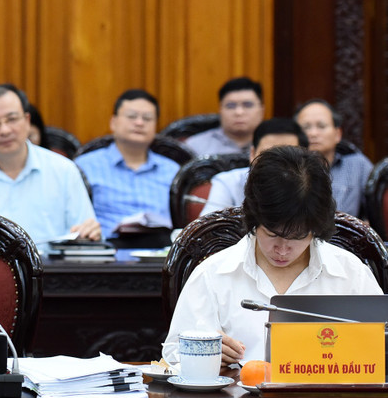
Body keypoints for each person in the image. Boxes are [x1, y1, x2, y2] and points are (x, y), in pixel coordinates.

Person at [162, 146, 382, 366]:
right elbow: (173, 355)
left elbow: (380, 352)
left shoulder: (350, 274)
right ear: (253, 217)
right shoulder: (213, 273)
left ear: (317, 227)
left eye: (297, 237)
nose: (283, 249)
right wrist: (204, 354)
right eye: (272, 235)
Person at [0, 83, 101, 245]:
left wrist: (88, 233)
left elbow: (85, 232)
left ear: (27, 120)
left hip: (53, 268)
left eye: (12, 119)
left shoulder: (64, 170)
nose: (4, 130)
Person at [75, 89, 179, 239]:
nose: (139, 122)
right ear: (113, 122)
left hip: (159, 254)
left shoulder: (172, 171)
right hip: (105, 253)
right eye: (132, 116)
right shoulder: (85, 166)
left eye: (147, 118)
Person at [200, 118, 309, 216]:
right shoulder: (228, 182)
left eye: (286, 155)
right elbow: (208, 229)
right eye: (267, 154)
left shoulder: (313, 184)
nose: (276, 163)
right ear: (252, 153)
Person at [294, 98, 372, 217]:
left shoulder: (358, 165)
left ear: (337, 134)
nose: (313, 133)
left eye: (321, 126)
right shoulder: (287, 167)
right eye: (306, 127)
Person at [184, 77, 265, 156]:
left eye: (247, 105)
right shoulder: (194, 146)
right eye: (230, 106)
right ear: (220, 110)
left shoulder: (274, 144)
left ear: (262, 109)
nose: (239, 112)